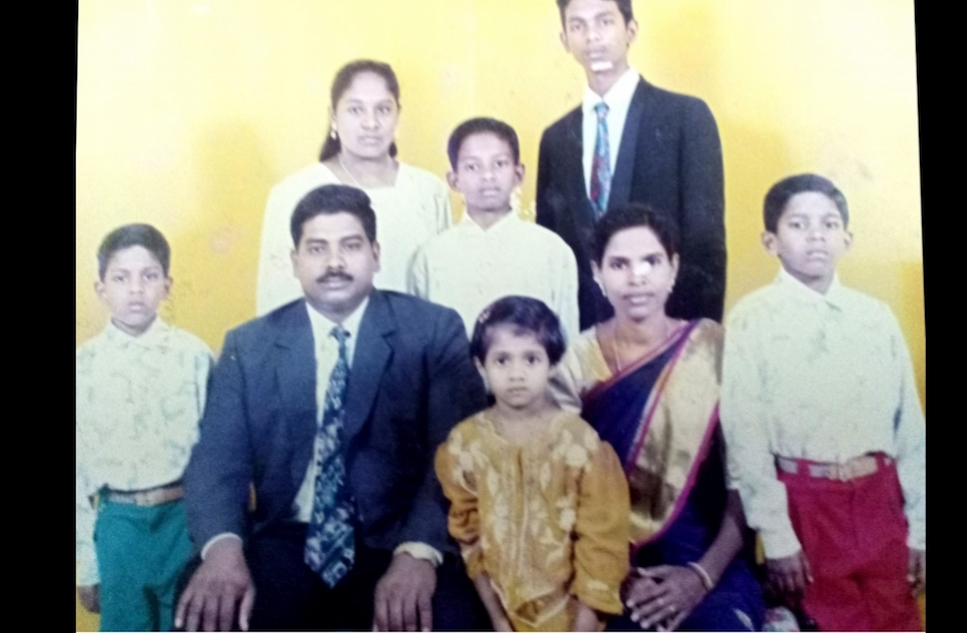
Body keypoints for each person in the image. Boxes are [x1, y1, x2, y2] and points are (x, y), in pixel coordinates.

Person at [177, 185, 488, 631]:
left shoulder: (433, 331)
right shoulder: (250, 345)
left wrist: (419, 549)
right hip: (286, 539)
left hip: (396, 539)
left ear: (376, 254)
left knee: (448, 620)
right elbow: (215, 462)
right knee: (206, 615)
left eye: (351, 246)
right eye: (317, 248)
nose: (335, 263)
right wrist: (224, 551)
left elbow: (457, 454)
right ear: (295, 260)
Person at [719, 174, 926, 631]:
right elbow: (746, 438)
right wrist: (777, 538)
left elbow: (910, 430)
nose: (817, 235)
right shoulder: (754, 319)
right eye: (799, 224)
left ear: (847, 239)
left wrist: (921, 527)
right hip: (806, 505)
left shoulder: (875, 317)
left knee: (897, 619)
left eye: (829, 224)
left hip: (880, 502)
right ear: (770, 240)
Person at [550, 204, 765, 631]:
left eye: (651, 261)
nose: (637, 277)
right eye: (619, 264)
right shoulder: (575, 360)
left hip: (708, 556)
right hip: (605, 560)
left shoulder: (717, 348)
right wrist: (611, 574)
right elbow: (558, 489)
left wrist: (700, 577)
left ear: (674, 268)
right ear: (597, 272)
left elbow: (749, 480)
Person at [435, 296, 630, 631]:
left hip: (571, 618)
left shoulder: (582, 446)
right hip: (499, 613)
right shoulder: (464, 446)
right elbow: (470, 538)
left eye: (531, 359)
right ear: (481, 366)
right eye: (502, 361)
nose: (516, 374)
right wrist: (497, 619)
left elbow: (602, 551)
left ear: (552, 364)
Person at [536, 0, 726, 331]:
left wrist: (694, 339)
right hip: (582, 338)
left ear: (631, 30)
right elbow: (549, 250)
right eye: (578, 26)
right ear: (565, 40)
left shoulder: (685, 117)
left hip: (669, 332)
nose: (592, 36)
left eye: (604, 21)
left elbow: (705, 241)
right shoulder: (556, 137)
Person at [76, 224, 213, 631]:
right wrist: (86, 562)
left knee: (192, 621)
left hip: (184, 520)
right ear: (101, 288)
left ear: (167, 285)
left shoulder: (194, 356)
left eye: (149, 276)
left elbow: (220, 456)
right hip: (118, 525)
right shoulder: (84, 367)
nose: (136, 289)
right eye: (121, 278)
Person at [257, 59, 452, 315]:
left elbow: (443, 289)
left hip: (418, 348)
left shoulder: (428, 190)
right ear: (333, 117)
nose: (370, 123)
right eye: (356, 110)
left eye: (383, 109)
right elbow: (275, 301)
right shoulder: (293, 192)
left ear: (398, 115)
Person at [408, 118, 579, 338]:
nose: (487, 176)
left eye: (499, 164)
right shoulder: (430, 257)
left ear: (518, 174)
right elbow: (421, 344)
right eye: (472, 167)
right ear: (454, 180)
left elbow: (567, 341)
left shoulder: (553, 251)